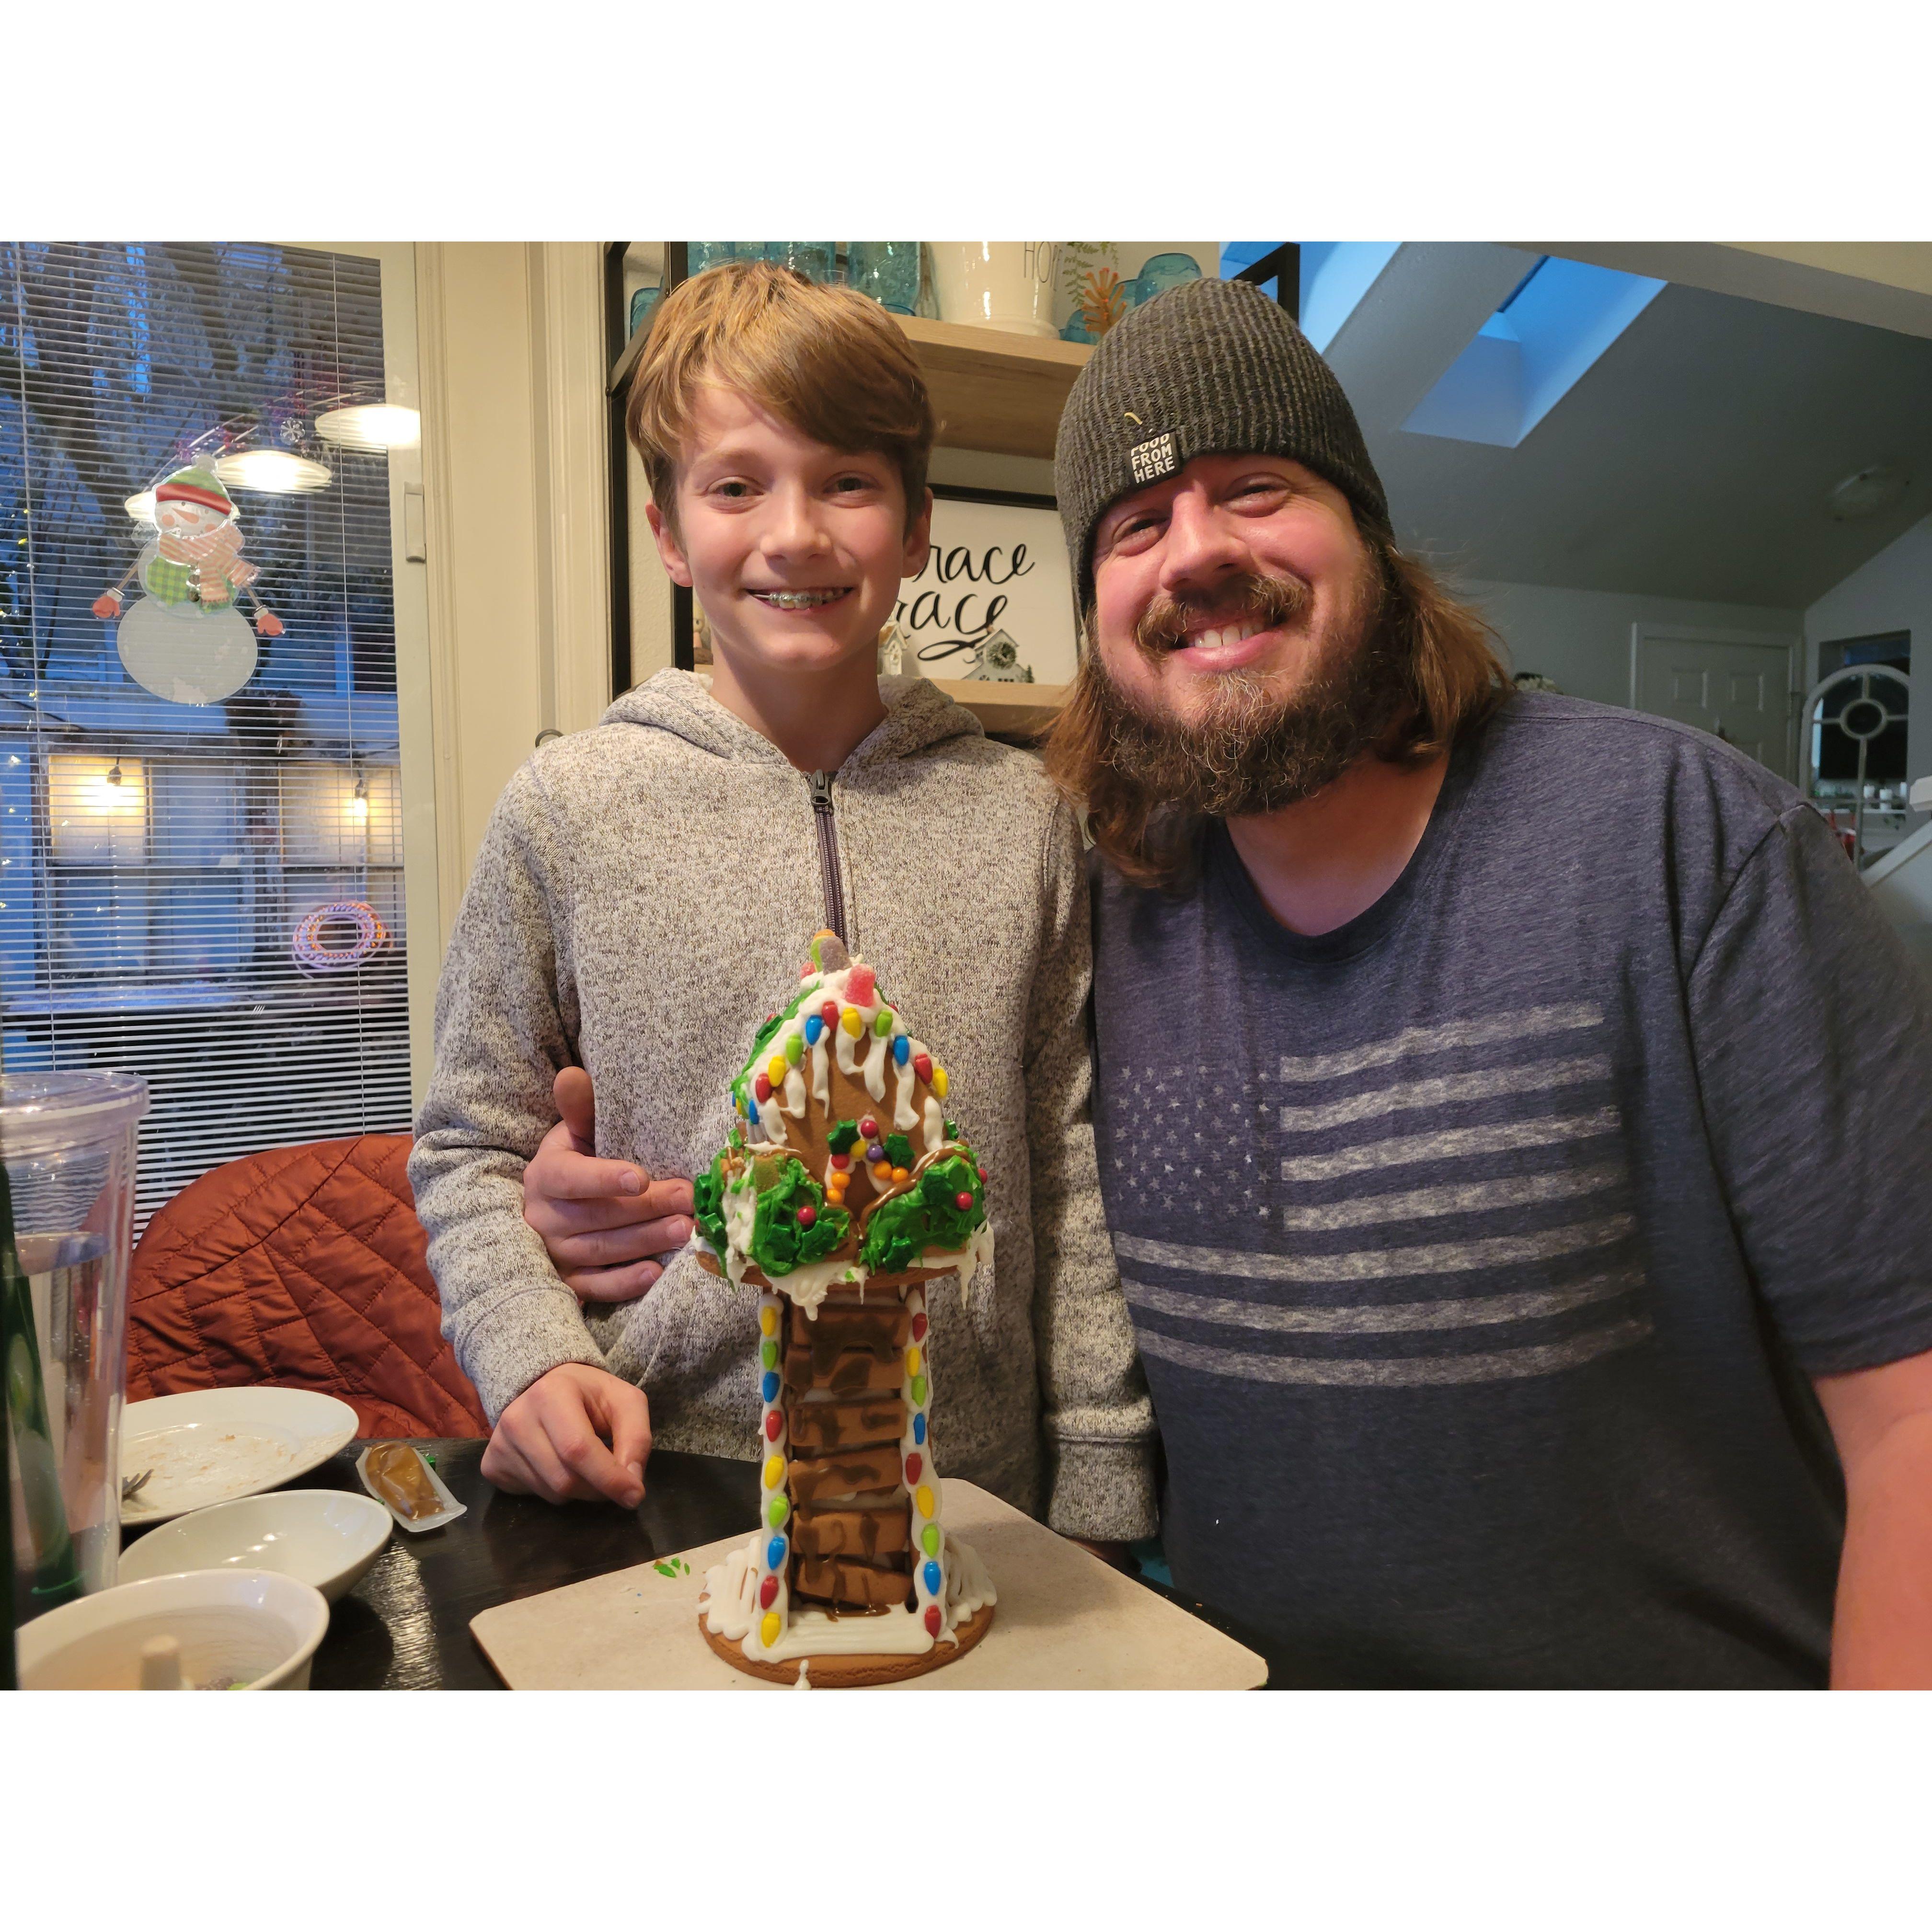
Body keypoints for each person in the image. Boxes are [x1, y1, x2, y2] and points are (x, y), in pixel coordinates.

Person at [527, 275, 1932, 1689]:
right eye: (1136, 526)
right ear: (1096, 615)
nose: (1195, 552)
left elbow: (1911, 1413)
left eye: (1256, 489)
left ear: (1371, 533)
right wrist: (577, 1213)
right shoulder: (1116, 895)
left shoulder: (1687, 841)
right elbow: (960, 1149)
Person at [410, 262, 1153, 1548]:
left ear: (917, 528)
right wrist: (530, 1356)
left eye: (847, 481)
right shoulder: (567, 809)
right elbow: (471, 1147)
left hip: (974, 1498)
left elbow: (1068, 1164)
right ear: (667, 532)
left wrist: (1098, 1478)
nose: (795, 532)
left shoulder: (1029, 817)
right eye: (736, 485)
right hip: (669, 1483)